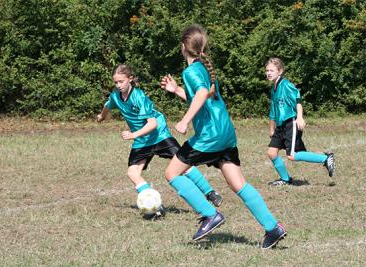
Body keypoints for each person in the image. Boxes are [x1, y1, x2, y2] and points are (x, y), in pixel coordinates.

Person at [160, 24, 286, 249]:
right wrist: (177, 90)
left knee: (171, 173)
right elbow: (204, 97)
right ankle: (272, 228)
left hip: (210, 135)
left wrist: (184, 121)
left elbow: (200, 94)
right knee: (238, 184)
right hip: (226, 133)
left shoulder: (190, 71)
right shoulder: (205, 67)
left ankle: (210, 215)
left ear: (183, 47)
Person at [97, 64, 223, 219]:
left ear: (130, 79)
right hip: (142, 140)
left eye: (121, 81)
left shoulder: (139, 96)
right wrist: (102, 116)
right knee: (132, 172)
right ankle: (155, 206)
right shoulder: (116, 96)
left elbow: (152, 123)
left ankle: (210, 192)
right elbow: (107, 105)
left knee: (183, 165)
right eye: (116, 82)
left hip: (159, 135)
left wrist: (132, 134)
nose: (118, 85)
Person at [265, 57, 335, 186]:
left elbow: (298, 99)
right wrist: (271, 128)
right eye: (267, 70)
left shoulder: (286, 85)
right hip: (280, 126)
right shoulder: (273, 89)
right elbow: (273, 111)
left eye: (272, 70)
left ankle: (326, 159)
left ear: (280, 71)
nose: (268, 73)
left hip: (290, 123)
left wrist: (300, 117)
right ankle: (285, 179)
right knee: (271, 152)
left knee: (292, 155)